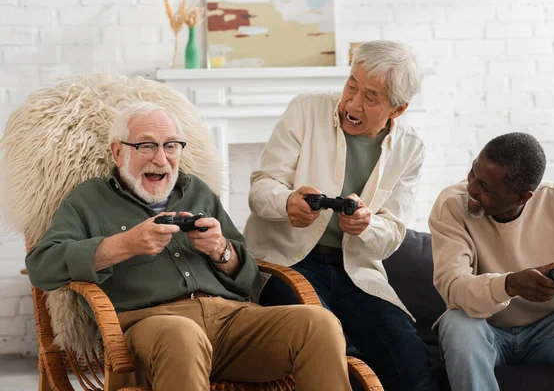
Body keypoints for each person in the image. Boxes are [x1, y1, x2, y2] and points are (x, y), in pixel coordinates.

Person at [25, 102, 352, 391]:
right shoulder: (89, 199)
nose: (161, 158)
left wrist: (220, 249)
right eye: (146, 145)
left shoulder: (198, 192)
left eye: (171, 146)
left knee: (318, 324)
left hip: (231, 321)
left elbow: (250, 277)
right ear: (118, 151)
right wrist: (125, 244)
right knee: (181, 334)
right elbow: (43, 265)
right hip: (152, 327)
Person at [244, 40, 439, 391]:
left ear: (398, 109)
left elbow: (392, 233)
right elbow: (260, 189)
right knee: (320, 337)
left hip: (356, 272)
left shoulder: (411, 148)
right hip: (290, 264)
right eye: (352, 85)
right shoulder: (306, 110)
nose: (352, 103)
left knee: (408, 354)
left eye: (371, 97)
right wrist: (287, 202)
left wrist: (366, 224)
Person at [429, 132, 554, 391]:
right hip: (485, 331)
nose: (472, 189)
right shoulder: (452, 205)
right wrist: (509, 285)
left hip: (553, 334)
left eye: (485, 187)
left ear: (523, 197)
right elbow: (453, 286)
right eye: (472, 173)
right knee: (456, 323)